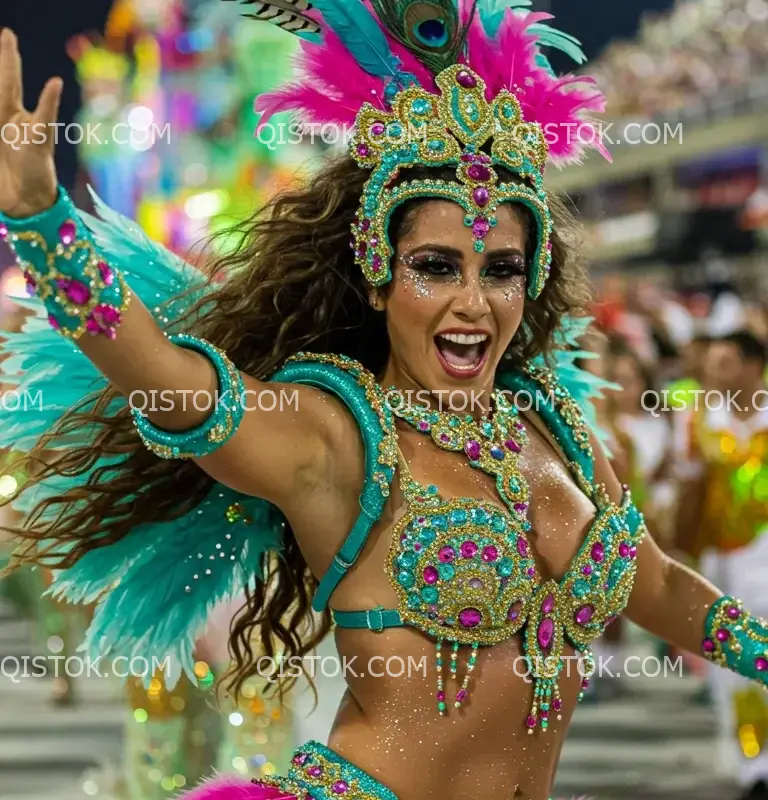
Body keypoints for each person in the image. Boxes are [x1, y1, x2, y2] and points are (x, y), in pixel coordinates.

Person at [1, 6, 767, 800]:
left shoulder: (559, 431)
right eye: (437, 266)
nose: (474, 302)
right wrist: (40, 221)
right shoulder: (337, 437)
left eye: (501, 269)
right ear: (377, 277)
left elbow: (664, 588)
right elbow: (161, 375)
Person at [676, 330, 768, 799]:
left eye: (726, 362)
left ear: (754, 366)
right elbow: (688, 491)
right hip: (723, 560)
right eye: (712, 363)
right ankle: (754, 763)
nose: (714, 373)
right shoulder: (698, 421)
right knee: (736, 662)